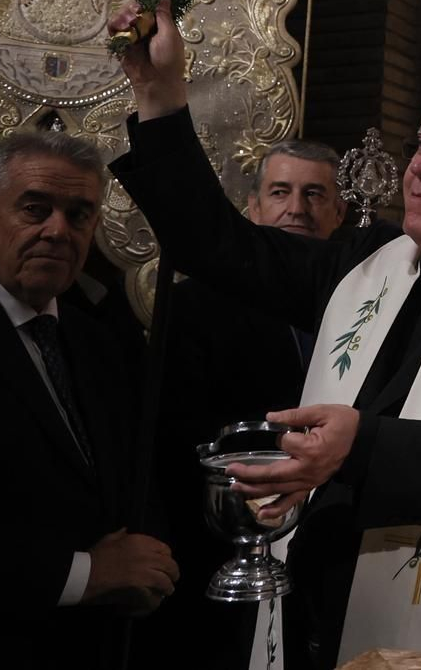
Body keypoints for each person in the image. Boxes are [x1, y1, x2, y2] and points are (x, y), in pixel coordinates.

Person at [107, 0, 421, 668]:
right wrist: (159, 96)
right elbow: (215, 244)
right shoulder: (362, 263)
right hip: (317, 607)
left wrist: (362, 445)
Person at [0, 132, 180, 669]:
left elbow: (136, 479)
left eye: (79, 214)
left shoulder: (98, 342)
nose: (58, 230)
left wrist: (151, 563)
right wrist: (86, 573)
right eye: (35, 209)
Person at [142, 139, 347, 670]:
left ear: (340, 213)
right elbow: (174, 434)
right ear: (253, 207)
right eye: (280, 192)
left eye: (314, 194)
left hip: (336, 545)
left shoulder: (365, 305)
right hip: (225, 547)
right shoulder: (194, 306)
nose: (296, 208)